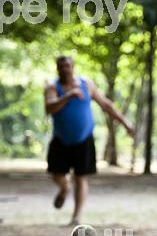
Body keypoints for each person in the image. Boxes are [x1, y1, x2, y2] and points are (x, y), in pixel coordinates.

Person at [45, 55, 134, 225]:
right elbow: (50, 108)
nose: (65, 69)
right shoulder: (53, 88)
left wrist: (125, 123)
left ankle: (76, 217)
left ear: (73, 67)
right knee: (57, 175)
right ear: (57, 68)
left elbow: (106, 105)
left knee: (81, 178)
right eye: (61, 66)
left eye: (67, 66)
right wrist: (69, 95)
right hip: (61, 139)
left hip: (84, 139)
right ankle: (64, 188)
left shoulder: (86, 84)